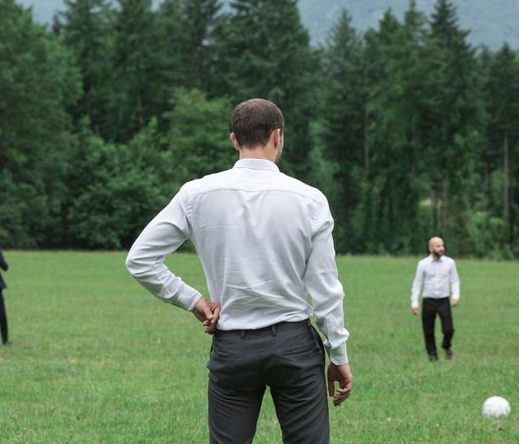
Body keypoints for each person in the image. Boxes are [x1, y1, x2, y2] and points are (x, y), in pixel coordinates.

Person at [126, 98, 352, 443]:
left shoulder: (196, 194)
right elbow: (326, 289)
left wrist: (193, 301)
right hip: (294, 344)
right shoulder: (310, 200)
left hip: (233, 346)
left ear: (235, 140)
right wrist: (337, 354)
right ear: (278, 136)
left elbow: (140, 259)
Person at [410, 236, 460, 361]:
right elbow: (417, 284)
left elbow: (455, 281)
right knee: (428, 331)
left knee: (448, 329)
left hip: (443, 300)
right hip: (428, 300)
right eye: (438, 246)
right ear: (431, 248)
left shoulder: (450, 263)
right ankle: (432, 356)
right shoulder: (423, 264)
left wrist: (455, 296)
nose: (441, 248)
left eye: (442, 245)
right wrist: (414, 303)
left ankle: (446, 345)